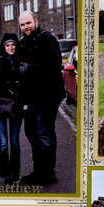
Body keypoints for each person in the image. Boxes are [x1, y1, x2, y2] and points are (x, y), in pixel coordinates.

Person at [17, 11, 66, 185]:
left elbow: (53, 66)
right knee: (31, 133)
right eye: (22, 25)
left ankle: (47, 174)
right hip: (31, 98)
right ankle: (39, 171)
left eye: (28, 23)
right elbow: (16, 65)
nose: (26, 27)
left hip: (48, 95)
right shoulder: (23, 43)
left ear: (36, 21)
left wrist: (28, 68)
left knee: (45, 133)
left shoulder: (47, 39)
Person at [0, 33, 23, 184]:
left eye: (13, 45)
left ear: (17, 46)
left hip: (16, 107)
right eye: (8, 45)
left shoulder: (21, 62)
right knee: (3, 142)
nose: (11, 48)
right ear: (3, 47)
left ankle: (16, 174)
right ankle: (6, 176)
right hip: (0, 106)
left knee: (15, 141)